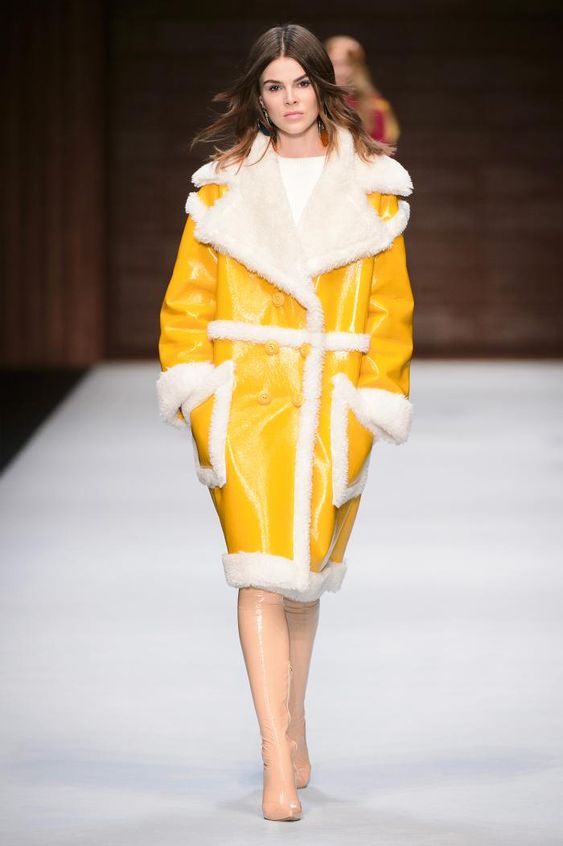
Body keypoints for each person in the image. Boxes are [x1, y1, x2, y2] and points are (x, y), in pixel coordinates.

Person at [156, 23, 414, 822]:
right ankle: (275, 756)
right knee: (259, 574)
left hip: (333, 404)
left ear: (321, 87)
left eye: (300, 83)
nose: (289, 99)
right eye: (273, 86)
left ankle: (294, 724)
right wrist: (198, 394)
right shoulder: (221, 188)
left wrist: (372, 402)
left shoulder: (373, 186)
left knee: (302, 583)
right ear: (257, 96)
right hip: (245, 403)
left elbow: (390, 311)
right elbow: (185, 305)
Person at [325, 34, 401, 145]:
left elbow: (383, 147)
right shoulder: (314, 100)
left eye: (346, 64)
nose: (339, 71)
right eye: (333, 64)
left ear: (357, 68)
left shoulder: (376, 106)